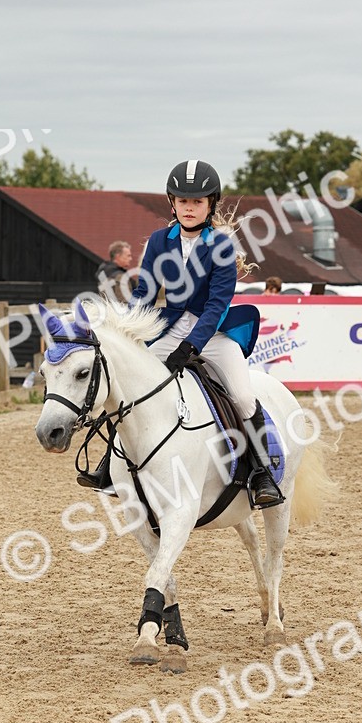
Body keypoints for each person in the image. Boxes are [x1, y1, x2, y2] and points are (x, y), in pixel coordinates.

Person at [80, 159, 283, 509]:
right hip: (169, 328)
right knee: (128, 383)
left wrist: (192, 346)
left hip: (214, 333)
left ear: (211, 204)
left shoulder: (221, 245)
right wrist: (127, 331)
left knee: (243, 395)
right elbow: (145, 292)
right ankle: (110, 467)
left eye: (198, 201)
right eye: (184, 201)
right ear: (172, 203)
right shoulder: (159, 241)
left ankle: (261, 472)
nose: (190, 208)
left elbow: (217, 305)